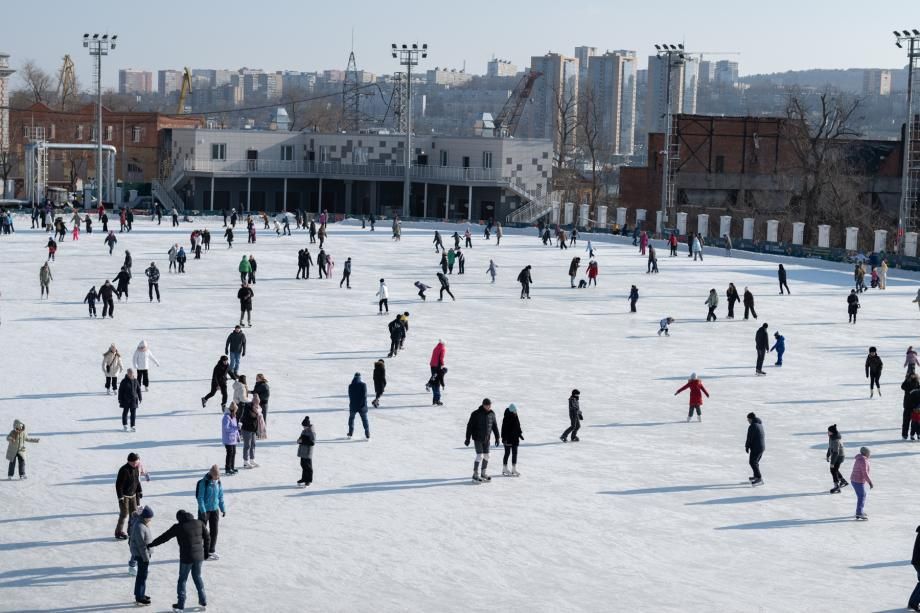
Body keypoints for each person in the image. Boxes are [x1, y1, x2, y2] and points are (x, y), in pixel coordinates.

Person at [148, 510, 209, 612]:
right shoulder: (199, 522)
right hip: (199, 556)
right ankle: (203, 600)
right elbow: (207, 537)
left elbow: (165, 537)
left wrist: (151, 544)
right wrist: (206, 553)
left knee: (182, 580)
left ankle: (180, 604)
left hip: (186, 558)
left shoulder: (178, 527)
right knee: (197, 577)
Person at [465, 399, 500, 483]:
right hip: (477, 438)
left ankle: (483, 473)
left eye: (490, 405)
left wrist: (497, 437)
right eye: (487, 405)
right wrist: (467, 438)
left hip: (487, 439)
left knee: (487, 456)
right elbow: (469, 426)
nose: (489, 407)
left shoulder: (492, 413)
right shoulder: (476, 413)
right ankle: (475, 474)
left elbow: (494, 426)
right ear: (483, 405)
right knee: (479, 455)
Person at [195, 465, 226, 559]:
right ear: (211, 475)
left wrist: (223, 508)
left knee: (214, 531)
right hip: (204, 510)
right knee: (201, 532)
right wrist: (203, 511)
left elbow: (220, 497)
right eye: (216, 476)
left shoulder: (219, 483)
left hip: (214, 510)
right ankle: (200, 551)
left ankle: (211, 550)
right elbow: (200, 498)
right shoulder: (204, 482)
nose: (218, 477)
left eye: (218, 476)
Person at [128, 505, 155, 606]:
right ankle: (139, 597)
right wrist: (146, 558)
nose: (150, 519)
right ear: (145, 517)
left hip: (144, 554)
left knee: (142, 575)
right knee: (142, 576)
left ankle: (140, 594)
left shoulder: (142, 524)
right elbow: (141, 545)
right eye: (150, 517)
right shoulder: (139, 526)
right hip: (142, 555)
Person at [115, 452, 143, 539]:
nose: (135, 464)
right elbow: (118, 485)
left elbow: (137, 481)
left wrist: (140, 490)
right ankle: (118, 532)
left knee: (133, 514)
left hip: (133, 495)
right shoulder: (124, 470)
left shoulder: (136, 468)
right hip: (125, 496)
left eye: (136, 462)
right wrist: (120, 497)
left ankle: (131, 531)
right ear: (129, 461)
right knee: (124, 514)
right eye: (134, 462)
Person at [850, 447, 873, 520]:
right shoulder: (863, 460)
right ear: (866, 453)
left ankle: (859, 511)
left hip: (854, 480)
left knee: (861, 496)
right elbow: (865, 473)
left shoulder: (859, 458)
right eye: (869, 453)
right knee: (862, 495)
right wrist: (870, 482)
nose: (870, 455)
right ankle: (859, 512)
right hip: (858, 481)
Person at [500, 404, 523, 477]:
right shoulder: (506, 417)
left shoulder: (515, 416)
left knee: (515, 453)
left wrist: (520, 434)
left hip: (515, 439)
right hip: (508, 439)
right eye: (514, 411)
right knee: (507, 453)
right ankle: (504, 468)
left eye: (516, 411)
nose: (516, 412)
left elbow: (518, 425)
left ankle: (514, 469)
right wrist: (504, 438)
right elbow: (503, 429)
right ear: (511, 411)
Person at [826, 424, 849, 494]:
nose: (828, 432)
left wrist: (832, 463)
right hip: (836, 455)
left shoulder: (836, 440)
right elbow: (830, 447)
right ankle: (842, 481)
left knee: (833, 470)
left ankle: (837, 486)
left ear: (832, 432)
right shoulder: (831, 437)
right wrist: (828, 455)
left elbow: (836, 452)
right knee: (834, 469)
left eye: (829, 431)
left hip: (839, 456)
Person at [347, 372, 370, 440]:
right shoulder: (363, 385)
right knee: (364, 420)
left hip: (353, 406)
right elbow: (365, 395)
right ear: (360, 377)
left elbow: (350, 395)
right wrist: (363, 404)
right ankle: (367, 433)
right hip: (362, 406)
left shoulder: (350, 386)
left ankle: (350, 433)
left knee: (351, 419)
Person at [745, 412, 765, 486]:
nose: (748, 421)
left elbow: (749, 438)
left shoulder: (753, 426)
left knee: (753, 462)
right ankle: (756, 476)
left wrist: (747, 446)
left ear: (751, 419)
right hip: (761, 447)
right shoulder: (759, 424)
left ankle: (759, 478)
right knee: (755, 462)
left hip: (756, 447)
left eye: (748, 419)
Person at [222, 403, 241, 475]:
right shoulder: (226, 417)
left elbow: (236, 428)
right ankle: (227, 469)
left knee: (233, 453)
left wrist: (238, 436)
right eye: (235, 411)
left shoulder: (234, 417)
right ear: (232, 410)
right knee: (229, 453)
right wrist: (236, 428)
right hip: (228, 439)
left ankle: (232, 467)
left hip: (233, 439)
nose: (236, 412)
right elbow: (226, 428)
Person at [297, 416, 315, 487]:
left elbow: (312, 442)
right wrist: (299, 440)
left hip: (307, 452)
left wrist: (303, 440)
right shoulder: (304, 431)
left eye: (304, 426)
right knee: (303, 465)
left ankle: (308, 480)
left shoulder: (312, 432)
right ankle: (304, 478)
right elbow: (300, 438)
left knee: (308, 466)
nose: (303, 428)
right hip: (302, 451)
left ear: (307, 425)